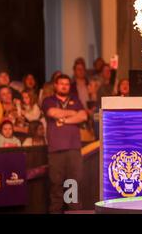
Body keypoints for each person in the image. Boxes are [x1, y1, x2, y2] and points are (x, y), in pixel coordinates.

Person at [41, 74, 87, 213]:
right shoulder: (48, 100)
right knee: (56, 186)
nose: (64, 86)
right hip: (56, 150)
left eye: (67, 84)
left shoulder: (75, 99)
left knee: (73, 184)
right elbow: (53, 112)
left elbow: (83, 116)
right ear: (55, 85)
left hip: (73, 149)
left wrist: (64, 120)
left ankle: (73, 212)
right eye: (61, 83)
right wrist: (73, 113)